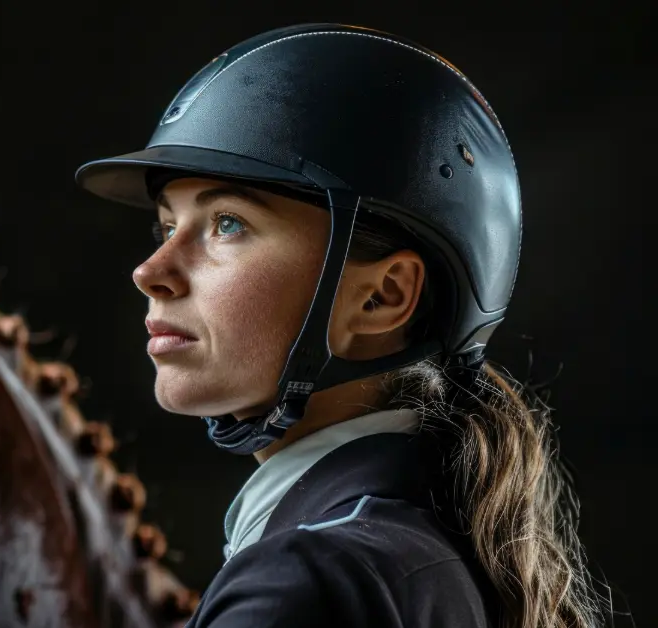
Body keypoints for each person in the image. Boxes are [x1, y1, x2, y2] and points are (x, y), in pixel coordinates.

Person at [75, 23, 626, 627]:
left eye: (226, 223)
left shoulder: (308, 582)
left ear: (383, 298)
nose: (151, 271)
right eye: (165, 227)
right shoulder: (410, 548)